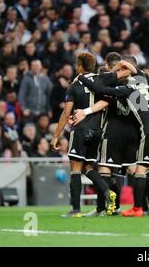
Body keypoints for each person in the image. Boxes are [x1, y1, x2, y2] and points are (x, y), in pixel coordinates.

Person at [76, 56, 149, 218]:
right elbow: (131, 67)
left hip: (148, 131)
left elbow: (101, 91)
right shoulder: (144, 80)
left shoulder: (126, 88)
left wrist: (82, 78)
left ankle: (136, 208)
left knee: (139, 171)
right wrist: (122, 66)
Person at [50, 52, 118, 218]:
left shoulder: (75, 85)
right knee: (88, 167)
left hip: (80, 130)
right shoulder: (102, 79)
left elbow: (66, 114)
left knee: (75, 170)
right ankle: (107, 191)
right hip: (97, 130)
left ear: (80, 66)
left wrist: (55, 136)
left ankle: (75, 209)